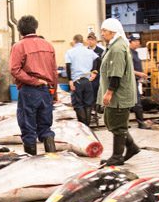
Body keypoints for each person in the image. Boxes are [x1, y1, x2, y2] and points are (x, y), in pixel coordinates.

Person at [9, 15, 58, 156]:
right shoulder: (48, 45)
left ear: (20, 30)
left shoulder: (19, 46)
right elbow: (54, 72)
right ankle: (53, 161)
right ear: (35, 27)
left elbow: (15, 70)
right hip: (46, 91)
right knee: (46, 127)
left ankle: (31, 165)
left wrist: (33, 81)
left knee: (28, 128)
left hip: (29, 90)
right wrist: (54, 94)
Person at [97, 18, 140, 165]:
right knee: (114, 123)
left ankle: (117, 156)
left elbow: (116, 73)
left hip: (119, 94)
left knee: (118, 126)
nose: (102, 33)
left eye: (104, 31)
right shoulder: (115, 45)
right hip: (117, 93)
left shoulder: (117, 48)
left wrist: (109, 92)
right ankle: (132, 147)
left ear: (113, 31)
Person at [65, 33, 97, 125]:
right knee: (88, 104)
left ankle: (83, 126)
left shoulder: (70, 52)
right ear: (82, 41)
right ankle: (87, 126)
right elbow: (98, 59)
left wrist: (70, 80)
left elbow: (68, 66)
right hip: (87, 81)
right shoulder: (89, 51)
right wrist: (94, 72)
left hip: (77, 81)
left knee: (78, 104)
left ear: (74, 41)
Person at [129, 34, 152, 129]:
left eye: (138, 41)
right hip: (130, 82)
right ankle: (141, 123)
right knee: (136, 103)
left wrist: (141, 77)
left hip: (136, 80)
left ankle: (139, 122)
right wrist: (139, 74)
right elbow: (128, 69)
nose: (138, 42)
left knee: (134, 103)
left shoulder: (136, 53)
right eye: (135, 41)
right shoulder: (128, 53)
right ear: (130, 42)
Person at [87, 32, 105, 126]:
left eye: (92, 39)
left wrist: (96, 72)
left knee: (97, 95)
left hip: (97, 77)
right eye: (89, 39)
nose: (90, 41)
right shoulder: (85, 51)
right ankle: (91, 114)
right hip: (88, 77)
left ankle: (97, 112)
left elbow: (102, 64)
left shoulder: (100, 51)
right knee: (89, 96)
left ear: (95, 40)